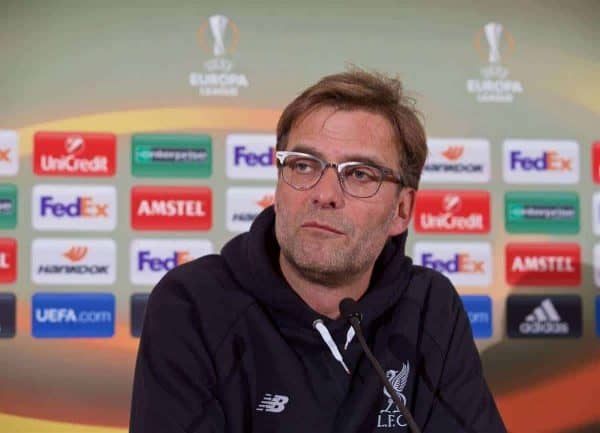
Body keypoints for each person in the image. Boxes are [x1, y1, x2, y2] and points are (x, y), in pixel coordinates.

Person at [129, 69, 507, 433]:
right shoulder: (195, 303)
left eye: (359, 174)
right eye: (304, 165)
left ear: (402, 211)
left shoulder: (429, 306)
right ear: (279, 182)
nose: (324, 195)